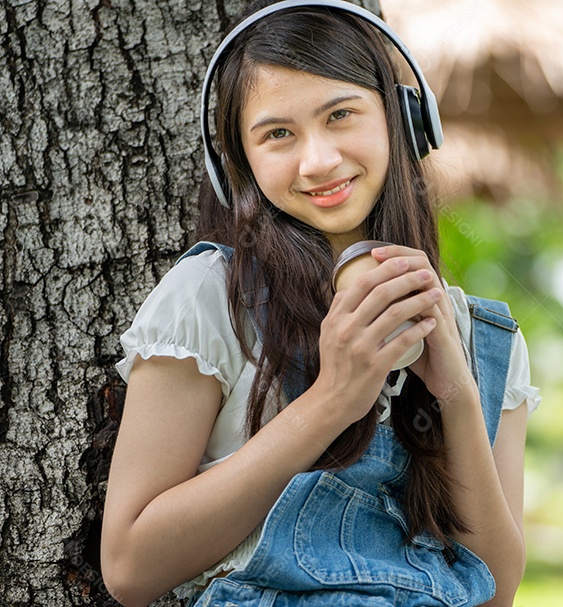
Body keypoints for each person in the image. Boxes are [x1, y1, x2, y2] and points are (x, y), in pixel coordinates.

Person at [100, 1, 540, 605]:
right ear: (240, 166)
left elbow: (493, 593)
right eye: (278, 134)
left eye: (341, 115)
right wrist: (333, 400)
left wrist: (457, 394)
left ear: (405, 123)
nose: (318, 161)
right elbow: (130, 568)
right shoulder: (209, 298)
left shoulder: (483, 337)